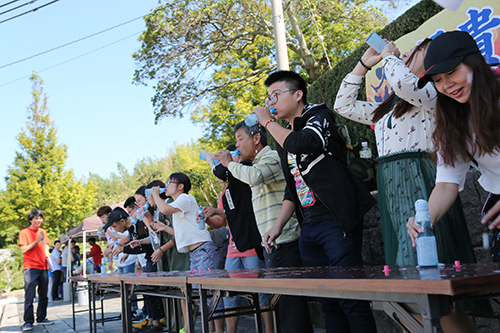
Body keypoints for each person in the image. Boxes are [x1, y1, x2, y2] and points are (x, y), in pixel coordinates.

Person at [333, 38, 478, 268]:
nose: (406, 54)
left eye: (415, 51)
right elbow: (343, 105)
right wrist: (364, 63)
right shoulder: (387, 108)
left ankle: (449, 303)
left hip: (423, 177)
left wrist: (389, 56)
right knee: (405, 249)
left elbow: (403, 84)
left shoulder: (435, 95)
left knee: (434, 246)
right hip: (392, 184)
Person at [251, 71, 377, 333]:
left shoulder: (319, 117)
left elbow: (304, 142)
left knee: (350, 296)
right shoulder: (285, 136)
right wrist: (277, 227)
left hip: (335, 220)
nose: (270, 102)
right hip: (308, 227)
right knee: (327, 300)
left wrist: (266, 122)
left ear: (298, 95)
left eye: (276, 95)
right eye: (268, 97)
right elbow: (292, 189)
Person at [407, 30, 500, 261]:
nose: (446, 85)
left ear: (474, 62)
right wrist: (423, 220)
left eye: (451, 72)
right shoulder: (452, 121)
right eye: (437, 80)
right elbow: (447, 183)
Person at [216, 123, 313, 333]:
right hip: (271, 242)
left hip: (286, 238)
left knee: (291, 304)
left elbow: (254, 177)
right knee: (282, 303)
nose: (237, 144)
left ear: (257, 139)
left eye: (241, 138)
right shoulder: (255, 163)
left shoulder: (271, 157)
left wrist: (229, 162)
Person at [202, 145, 273, 333]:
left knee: (262, 293)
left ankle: (269, 330)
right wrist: (208, 217)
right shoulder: (225, 193)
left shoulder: (249, 178)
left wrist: (211, 161)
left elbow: (243, 212)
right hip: (233, 250)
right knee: (230, 296)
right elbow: (220, 222)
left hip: (252, 246)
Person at [151, 172, 225, 333]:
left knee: (211, 294)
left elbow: (163, 209)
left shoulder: (185, 198)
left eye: (169, 182)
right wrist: (164, 228)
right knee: (201, 295)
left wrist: (156, 194)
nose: (166, 185)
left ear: (180, 186)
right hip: (196, 254)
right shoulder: (179, 206)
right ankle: (209, 330)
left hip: (204, 251)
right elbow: (181, 234)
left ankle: (219, 331)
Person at [18, 209, 54, 331]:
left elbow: (46, 248)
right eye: (36, 219)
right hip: (30, 268)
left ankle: (42, 317)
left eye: (40, 218)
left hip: (43, 267)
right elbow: (24, 250)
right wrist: (37, 240)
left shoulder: (43, 231)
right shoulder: (24, 233)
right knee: (30, 295)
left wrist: (49, 262)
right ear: (30, 220)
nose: (39, 221)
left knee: (44, 295)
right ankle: (28, 322)